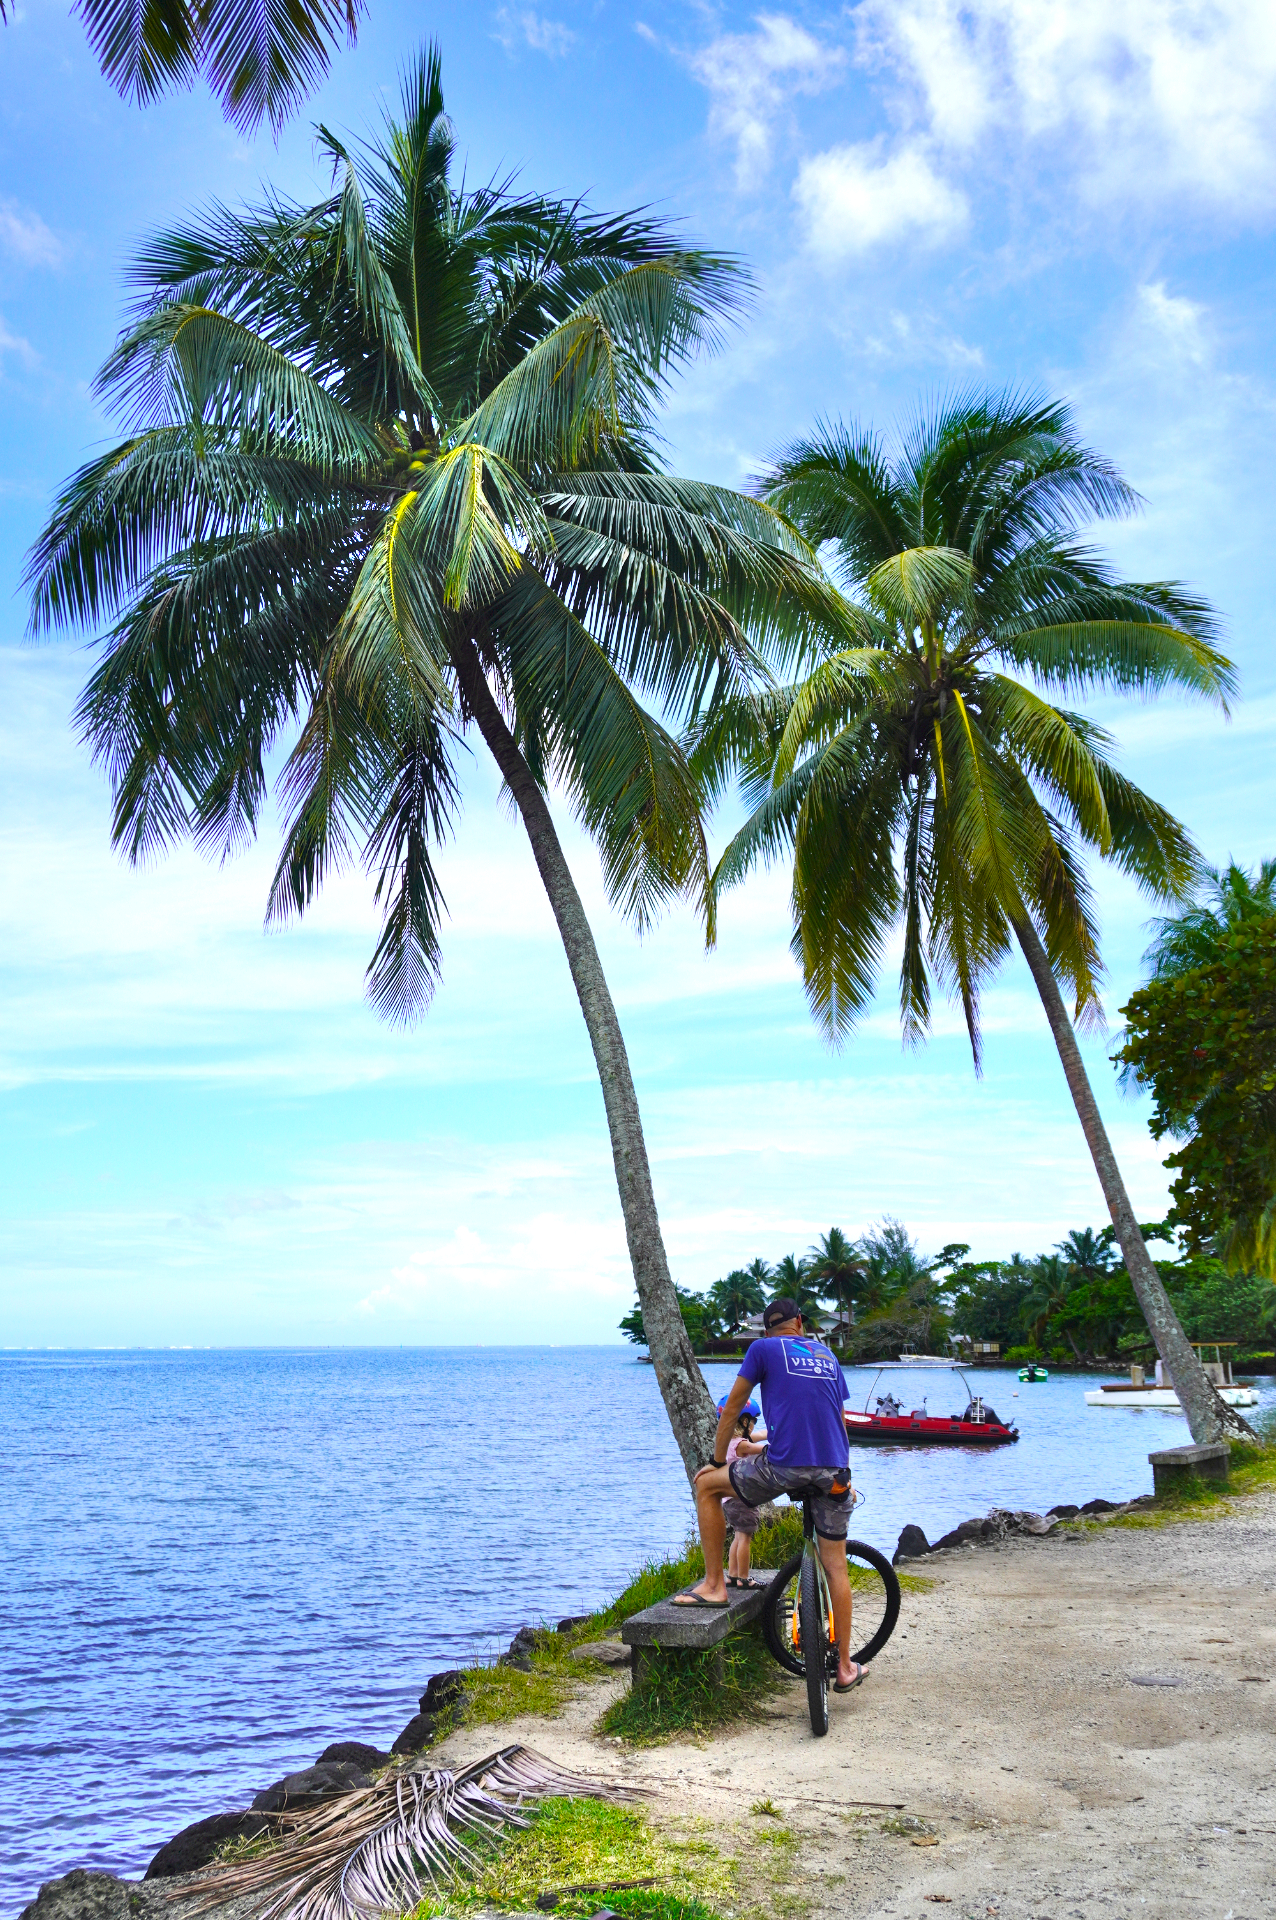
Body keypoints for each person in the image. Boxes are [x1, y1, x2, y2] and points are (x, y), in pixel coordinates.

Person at [673, 1298, 866, 1692]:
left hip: (783, 1467)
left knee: (706, 1487)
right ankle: (845, 1667)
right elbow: (839, 1421)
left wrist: (715, 1460)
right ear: (799, 1322)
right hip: (835, 1471)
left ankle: (714, 1586)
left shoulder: (761, 1349)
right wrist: (842, 1474)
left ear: (767, 1329)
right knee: (837, 1568)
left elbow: (732, 1411)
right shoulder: (828, 1354)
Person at [718, 1394, 766, 1588]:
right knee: (745, 1537)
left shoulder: (729, 1441)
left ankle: (732, 1575)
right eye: (753, 1421)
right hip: (742, 1499)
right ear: (745, 1421)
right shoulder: (741, 1444)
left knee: (738, 1535)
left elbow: (761, 1435)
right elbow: (762, 1449)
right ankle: (745, 1578)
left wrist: (775, 1430)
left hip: (729, 1500)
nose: (754, 1425)